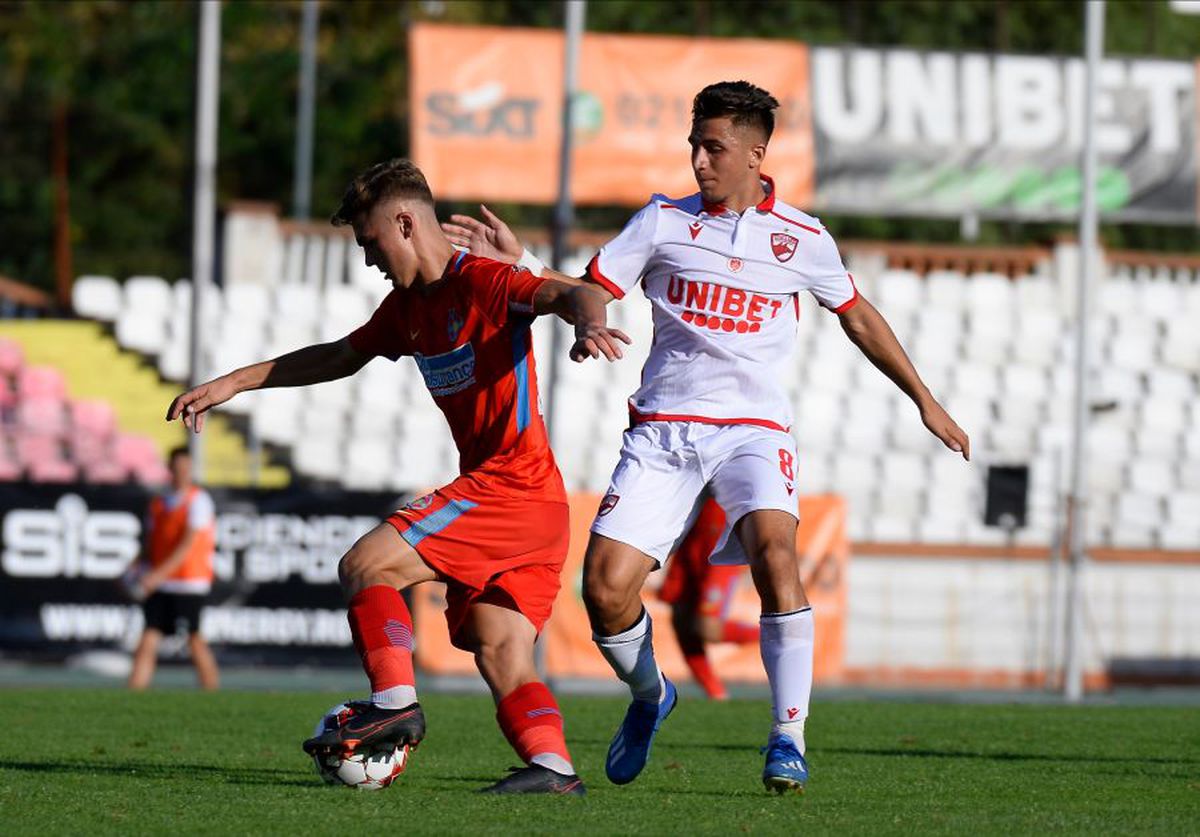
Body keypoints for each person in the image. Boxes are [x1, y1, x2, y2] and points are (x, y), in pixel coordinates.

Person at [442, 80, 970, 793]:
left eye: (713, 147)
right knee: (603, 591)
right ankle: (652, 692)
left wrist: (925, 400)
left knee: (778, 554)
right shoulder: (662, 222)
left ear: (757, 154)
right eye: (694, 145)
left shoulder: (804, 238)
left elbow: (859, 315)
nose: (698, 161)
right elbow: (596, 285)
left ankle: (788, 738)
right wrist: (567, 301)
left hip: (753, 431)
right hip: (663, 430)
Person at [166, 158, 626, 795]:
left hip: (511, 487)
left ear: (406, 222)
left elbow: (573, 293)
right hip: (536, 507)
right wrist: (233, 383)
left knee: (364, 566)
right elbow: (337, 356)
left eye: (371, 241)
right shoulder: (407, 309)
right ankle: (553, 769)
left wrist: (590, 322)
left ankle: (394, 702)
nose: (369, 258)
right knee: (501, 652)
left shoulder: (484, 282)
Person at [126, 445, 221, 691]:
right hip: (163, 582)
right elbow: (151, 543)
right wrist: (134, 567)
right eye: (177, 468)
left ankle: (213, 694)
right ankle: (132, 696)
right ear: (170, 469)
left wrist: (157, 575)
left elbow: (187, 545)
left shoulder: (198, 500)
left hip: (189, 581)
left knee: (194, 638)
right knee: (149, 635)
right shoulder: (159, 504)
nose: (181, 473)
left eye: (186, 468)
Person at [657, 494, 759, 701]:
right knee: (681, 618)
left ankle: (776, 632)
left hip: (722, 540)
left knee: (707, 627)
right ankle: (716, 693)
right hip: (691, 539)